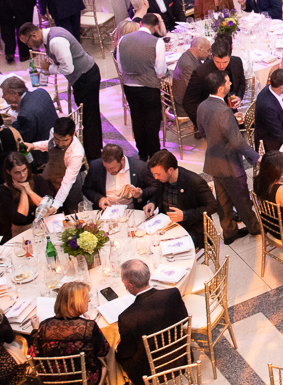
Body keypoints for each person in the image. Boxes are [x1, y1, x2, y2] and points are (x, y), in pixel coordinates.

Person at [20, 21, 101, 161]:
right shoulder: (52, 32)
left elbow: (68, 69)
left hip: (85, 77)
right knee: (91, 115)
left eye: (27, 42)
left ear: (33, 35)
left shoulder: (55, 42)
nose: (29, 46)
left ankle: (93, 155)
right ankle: (95, 148)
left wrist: (48, 69)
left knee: (89, 117)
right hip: (84, 76)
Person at [114, 259, 190, 385]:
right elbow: (183, 317)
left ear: (129, 285)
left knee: (115, 354)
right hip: (181, 354)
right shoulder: (172, 294)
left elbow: (126, 352)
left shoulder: (126, 317)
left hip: (150, 369)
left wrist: (115, 351)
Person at [198, 69, 256, 244]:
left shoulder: (203, 106)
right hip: (229, 163)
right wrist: (255, 157)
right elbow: (238, 142)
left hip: (213, 162)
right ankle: (254, 227)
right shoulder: (223, 111)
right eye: (228, 82)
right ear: (221, 88)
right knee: (242, 198)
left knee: (222, 200)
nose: (230, 84)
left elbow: (202, 132)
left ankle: (229, 232)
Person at [29, 280, 111, 385]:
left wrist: (35, 331)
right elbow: (104, 350)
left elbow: (33, 354)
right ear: (77, 302)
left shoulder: (44, 326)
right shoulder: (88, 327)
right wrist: (89, 325)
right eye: (86, 298)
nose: (89, 300)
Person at [115, 13, 167, 159]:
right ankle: (154, 152)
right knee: (153, 120)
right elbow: (160, 71)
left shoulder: (123, 40)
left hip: (129, 87)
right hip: (149, 87)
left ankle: (142, 153)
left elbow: (121, 66)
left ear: (140, 24)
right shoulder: (157, 42)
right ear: (156, 26)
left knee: (137, 119)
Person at [145, 149, 217, 250]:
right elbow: (159, 194)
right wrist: (153, 202)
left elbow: (212, 206)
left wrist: (185, 215)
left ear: (170, 170)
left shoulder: (195, 182)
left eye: (158, 174)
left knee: (165, 250)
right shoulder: (162, 179)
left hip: (191, 228)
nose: (156, 177)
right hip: (167, 225)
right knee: (148, 243)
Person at [82, 144, 148, 210]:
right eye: (106, 168)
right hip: (105, 210)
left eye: (112, 168)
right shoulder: (96, 166)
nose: (109, 171)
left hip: (131, 210)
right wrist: (99, 198)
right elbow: (87, 189)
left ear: (122, 160)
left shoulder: (139, 167)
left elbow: (153, 188)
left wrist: (141, 193)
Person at [1, 75, 57, 147]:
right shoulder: (41, 91)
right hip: (55, 131)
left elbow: (24, 139)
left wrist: (14, 123)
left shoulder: (25, 114)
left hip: (44, 146)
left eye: (5, 93)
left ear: (15, 94)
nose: (3, 97)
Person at [255, 69, 283, 153]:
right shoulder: (268, 106)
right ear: (281, 87)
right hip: (272, 143)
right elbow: (278, 135)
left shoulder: (270, 89)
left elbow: (280, 103)